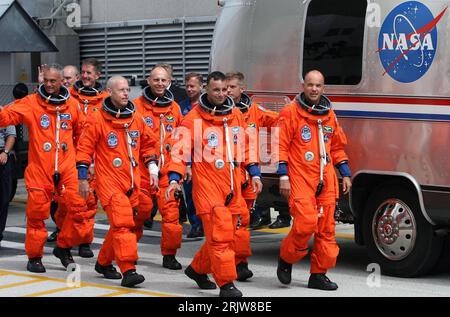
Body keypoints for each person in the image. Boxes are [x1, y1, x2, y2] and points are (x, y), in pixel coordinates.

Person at [166, 71, 263, 297]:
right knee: (220, 237)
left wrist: (255, 173)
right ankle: (226, 284)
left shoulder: (236, 115)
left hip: (232, 186)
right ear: (206, 90)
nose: (221, 94)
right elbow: (179, 151)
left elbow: (247, 147)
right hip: (208, 188)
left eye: (224, 90)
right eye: (216, 90)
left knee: (225, 235)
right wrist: (174, 179)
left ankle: (197, 269)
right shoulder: (193, 119)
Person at [0, 64, 90, 272]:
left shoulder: (73, 105)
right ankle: (34, 257)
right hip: (41, 168)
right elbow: (6, 117)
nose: (49, 85)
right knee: (37, 214)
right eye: (46, 80)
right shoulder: (32, 103)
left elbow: (84, 134)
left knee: (79, 210)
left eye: (53, 81)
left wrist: (85, 163)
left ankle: (63, 246)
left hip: (67, 168)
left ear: (62, 82)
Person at [76, 75, 159, 287]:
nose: (125, 93)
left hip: (132, 182)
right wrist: (83, 178)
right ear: (110, 93)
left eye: (126, 90)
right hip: (109, 183)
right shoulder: (97, 119)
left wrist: (152, 166)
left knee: (128, 223)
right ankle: (128, 269)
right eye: (120, 90)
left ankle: (103, 262)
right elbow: (84, 150)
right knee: (122, 223)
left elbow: (149, 143)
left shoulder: (135, 118)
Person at [275, 70, 352, 290]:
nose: (314, 89)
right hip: (300, 175)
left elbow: (336, 146)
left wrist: (345, 172)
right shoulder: (291, 113)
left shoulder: (329, 115)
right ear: (303, 86)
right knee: (305, 223)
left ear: (323, 88)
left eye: (318, 85)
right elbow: (280, 146)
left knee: (326, 229)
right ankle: (287, 259)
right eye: (310, 85)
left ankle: (318, 274)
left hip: (325, 177)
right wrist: (283, 176)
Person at [51, 59, 109, 255]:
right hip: (68, 159)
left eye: (89, 73)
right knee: (65, 202)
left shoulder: (105, 100)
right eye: (83, 72)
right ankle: (63, 233)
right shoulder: (69, 98)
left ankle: (84, 241)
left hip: (92, 161)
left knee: (88, 202)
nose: (85, 76)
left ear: (97, 75)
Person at [225, 71, 279, 281]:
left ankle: (240, 262)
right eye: (225, 87)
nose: (228, 91)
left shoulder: (255, 111)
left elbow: (279, 122)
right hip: (226, 175)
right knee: (229, 222)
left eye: (231, 87)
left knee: (242, 222)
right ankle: (228, 263)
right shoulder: (218, 113)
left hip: (248, 173)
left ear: (242, 89)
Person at [133, 65, 184, 270]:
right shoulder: (136, 106)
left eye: (164, 80)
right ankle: (129, 251)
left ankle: (169, 255)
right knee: (140, 214)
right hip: (144, 172)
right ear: (149, 80)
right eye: (156, 80)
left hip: (168, 171)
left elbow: (181, 139)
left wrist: (183, 166)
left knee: (172, 215)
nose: (160, 84)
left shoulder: (175, 108)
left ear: (169, 81)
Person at [178, 72, 204, 238]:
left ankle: (206, 223)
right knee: (189, 193)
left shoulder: (207, 105)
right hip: (188, 155)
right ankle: (196, 225)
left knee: (205, 192)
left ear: (201, 87)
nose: (189, 89)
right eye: (187, 86)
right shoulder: (181, 106)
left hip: (206, 156)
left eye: (192, 86)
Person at [0, 124, 16, 248]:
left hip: (2, 156)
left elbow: (11, 136)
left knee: (3, 199)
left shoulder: (4, 114)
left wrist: (5, 152)